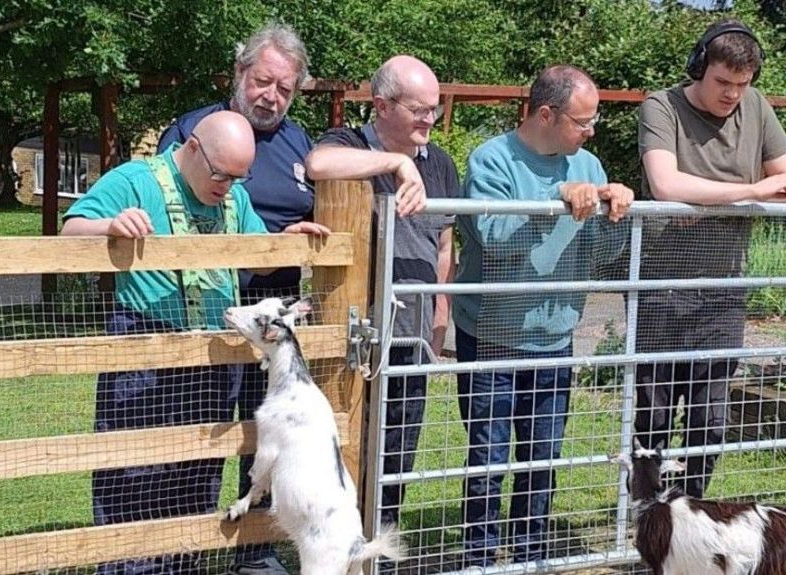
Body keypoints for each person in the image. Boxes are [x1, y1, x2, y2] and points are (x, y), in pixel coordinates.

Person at [62, 111, 270, 575]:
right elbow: (70, 230)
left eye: (239, 177)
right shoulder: (136, 181)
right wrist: (110, 226)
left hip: (217, 356)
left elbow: (261, 247)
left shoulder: (233, 197)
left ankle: (182, 565)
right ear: (193, 148)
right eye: (221, 174)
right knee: (135, 471)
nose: (228, 186)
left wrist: (292, 242)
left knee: (198, 475)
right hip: (147, 350)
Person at [156, 23, 327, 575]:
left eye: (284, 87)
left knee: (270, 439)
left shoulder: (303, 144)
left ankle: (255, 550)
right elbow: (169, 215)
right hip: (210, 309)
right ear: (239, 73)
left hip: (280, 317)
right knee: (201, 433)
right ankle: (184, 546)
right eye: (262, 81)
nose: (270, 96)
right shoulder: (195, 130)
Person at [452, 65, 633, 567]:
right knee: (489, 458)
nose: (590, 131)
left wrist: (618, 211)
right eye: (583, 121)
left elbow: (602, 253)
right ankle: (481, 558)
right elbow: (492, 239)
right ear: (547, 114)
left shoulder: (589, 166)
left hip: (556, 338)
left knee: (543, 458)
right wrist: (552, 198)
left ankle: (531, 554)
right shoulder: (491, 160)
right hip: (491, 335)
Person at [635, 19, 786, 498]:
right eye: (722, 83)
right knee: (655, 413)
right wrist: (750, 192)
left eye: (742, 85)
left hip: (724, 287)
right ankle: (649, 518)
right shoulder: (660, 106)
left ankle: (689, 512)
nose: (732, 95)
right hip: (662, 287)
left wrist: (707, 200)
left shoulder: (756, 108)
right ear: (699, 68)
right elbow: (666, 185)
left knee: (710, 421)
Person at [304, 55, 454, 538]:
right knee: (347, 449)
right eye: (419, 110)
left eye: (434, 109)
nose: (430, 119)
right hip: (358, 339)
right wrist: (397, 164)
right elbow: (317, 164)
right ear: (382, 105)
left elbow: (445, 245)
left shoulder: (442, 163)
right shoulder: (348, 143)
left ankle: (378, 550)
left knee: (397, 454)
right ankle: (337, 550)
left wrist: (439, 315)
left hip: (412, 336)